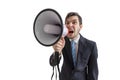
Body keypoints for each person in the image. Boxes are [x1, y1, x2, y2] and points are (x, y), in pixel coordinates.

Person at [49, 12, 99, 80]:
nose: (70, 25)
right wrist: (58, 52)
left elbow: (93, 72)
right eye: (67, 23)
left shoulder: (91, 46)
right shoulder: (61, 41)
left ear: (80, 26)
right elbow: (52, 63)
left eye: (74, 22)